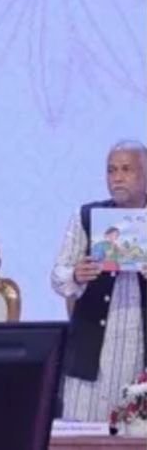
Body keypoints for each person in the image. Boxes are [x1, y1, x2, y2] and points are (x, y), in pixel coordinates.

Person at [52, 140, 147, 422]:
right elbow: (58, 277)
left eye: (126, 169)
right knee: (81, 431)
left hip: (138, 348)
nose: (117, 177)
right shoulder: (87, 217)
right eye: (111, 170)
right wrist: (76, 274)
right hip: (92, 347)